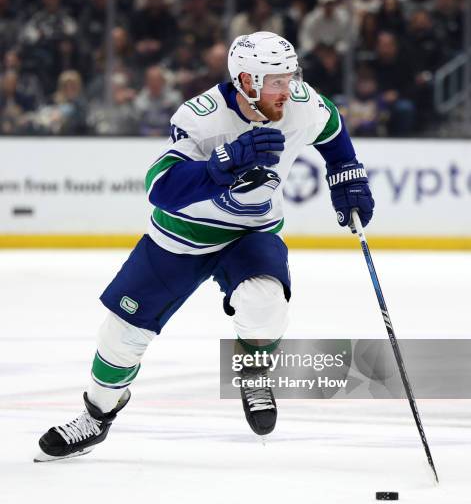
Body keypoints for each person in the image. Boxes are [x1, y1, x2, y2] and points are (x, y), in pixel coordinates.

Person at [34, 31, 374, 462]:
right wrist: (222, 164)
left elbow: (333, 132)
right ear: (247, 81)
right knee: (120, 335)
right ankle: (97, 416)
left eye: (291, 77)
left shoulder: (300, 103)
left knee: (265, 301)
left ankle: (253, 370)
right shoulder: (202, 118)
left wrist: (347, 173)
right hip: (181, 236)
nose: (288, 90)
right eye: (276, 81)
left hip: (251, 232)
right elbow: (160, 187)